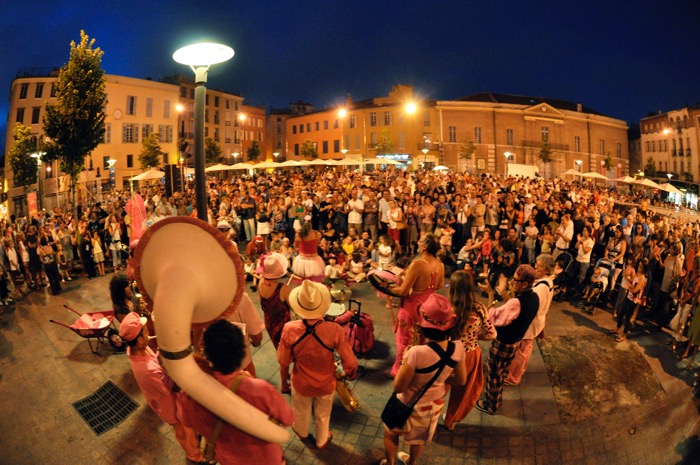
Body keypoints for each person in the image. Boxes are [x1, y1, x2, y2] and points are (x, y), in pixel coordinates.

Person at [178, 320, 293, 465]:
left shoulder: (189, 394)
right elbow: (288, 418)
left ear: (206, 353)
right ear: (241, 354)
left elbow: (188, 423)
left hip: (228, 459)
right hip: (266, 458)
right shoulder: (260, 389)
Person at [380, 293, 467, 465]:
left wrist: (406, 361)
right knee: (418, 439)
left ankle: (389, 463)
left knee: (391, 432)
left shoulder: (416, 353)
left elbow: (398, 387)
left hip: (407, 402)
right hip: (433, 404)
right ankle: (411, 463)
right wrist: (438, 377)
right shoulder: (458, 347)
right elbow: (460, 380)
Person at [277, 280, 358, 449]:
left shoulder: (289, 328)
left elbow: (283, 361)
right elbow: (350, 362)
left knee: (301, 410)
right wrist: (349, 373)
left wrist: (284, 382)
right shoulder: (334, 329)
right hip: (326, 382)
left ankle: (302, 431)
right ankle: (322, 440)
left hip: (301, 383)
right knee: (323, 413)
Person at [119, 312, 204, 463]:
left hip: (166, 394)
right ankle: (195, 455)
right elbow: (171, 387)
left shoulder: (137, 350)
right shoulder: (147, 370)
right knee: (184, 431)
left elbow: (156, 361)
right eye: (145, 332)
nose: (148, 333)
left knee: (188, 427)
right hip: (169, 404)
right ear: (139, 341)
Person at [476, 264, 540, 415]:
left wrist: (491, 293)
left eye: (515, 280)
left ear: (524, 284)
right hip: (515, 342)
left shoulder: (516, 303)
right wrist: (504, 293)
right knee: (501, 372)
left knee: (493, 374)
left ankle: (491, 405)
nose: (512, 282)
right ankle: (496, 397)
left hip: (503, 343)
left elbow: (491, 317)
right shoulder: (534, 297)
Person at [443, 271, 496, 431]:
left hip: (448, 353)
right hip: (470, 354)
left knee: (439, 388)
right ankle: (451, 421)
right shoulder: (479, 308)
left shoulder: (446, 308)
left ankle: (429, 416)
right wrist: (475, 336)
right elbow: (492, 334)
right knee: (463, 392)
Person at [386, 234, 445, 377]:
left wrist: (386, 287)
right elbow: (439, 285)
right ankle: (418, 368)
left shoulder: (418, 264)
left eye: (419, 242)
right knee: (421, 338)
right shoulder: (440, 264)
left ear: (424, 246)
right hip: (429, 306)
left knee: (404, 339)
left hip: (412, 307)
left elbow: (403, 291)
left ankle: (400, 372)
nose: (417, 244)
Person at [504, 255, 555, 385]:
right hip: (536, 323)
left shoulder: (542, 287)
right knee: (525, 350)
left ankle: (513, 377)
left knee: (521, 352)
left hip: (531, 324)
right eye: (536, 264)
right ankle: (517, 371)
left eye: (540, 266)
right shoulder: (546, 282)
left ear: (547, 269)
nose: (536, 267)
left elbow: (533, 307)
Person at [257, 253, 292, 392]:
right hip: (283, 326)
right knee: (285, 355)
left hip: (269, 322)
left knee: (280, 350)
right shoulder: (283, 288)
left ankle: (285, 372)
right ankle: (284, 384)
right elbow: (295, 306)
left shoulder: (260, 282)